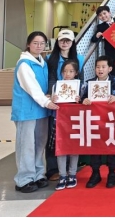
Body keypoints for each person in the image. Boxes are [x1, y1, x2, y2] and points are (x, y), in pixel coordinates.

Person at [12, 31, 59, 193]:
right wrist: (47, 102)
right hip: (26, 111)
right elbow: (32, 88)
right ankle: (24, 179)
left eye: (42, 43)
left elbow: (43, 87)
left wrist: (50, 96)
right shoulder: (24, 64)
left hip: (41, 110)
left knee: (40, 144)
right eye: (35, 43)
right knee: (26, 145)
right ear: (28, 44)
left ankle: (38, 174)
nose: (39, 46)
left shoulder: (42, 62)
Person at [45, 29, 84, 181]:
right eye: (62, 40)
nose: (65, 43)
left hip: (72, 105)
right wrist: (52, 94)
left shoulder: (79, 58)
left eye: (68, 40)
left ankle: (70, 168)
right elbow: (50, 79)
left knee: (71, 135)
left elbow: (81, 80)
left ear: (73, 42)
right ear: (58, 42)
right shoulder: (50, 58)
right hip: (56, 104)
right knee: (53, 137)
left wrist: (79, 96)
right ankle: (53, 169)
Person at [80, 56, 115, 188]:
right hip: (94, 121)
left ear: (109, 69)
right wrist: (84, 100)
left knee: (111, 146)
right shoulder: (90, 83)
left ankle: (112, 173)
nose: (100, 69)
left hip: (111, 120)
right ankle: (95, 173)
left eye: (103, 67)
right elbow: (82, 98)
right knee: (95, 147)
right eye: (98, 67)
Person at [51, 60, 81, 191]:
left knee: (74, 148)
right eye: (65, 71)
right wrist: (53, 100)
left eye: (71, 71)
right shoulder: (56, 86)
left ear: (76, 73)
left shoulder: (80, 86)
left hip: (75, 121)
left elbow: (86, 104)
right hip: (60, 122)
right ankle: (62, 175)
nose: (67, 74)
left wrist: (80, 100)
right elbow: (52, 104)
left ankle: (72, 174)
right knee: (61, 148)